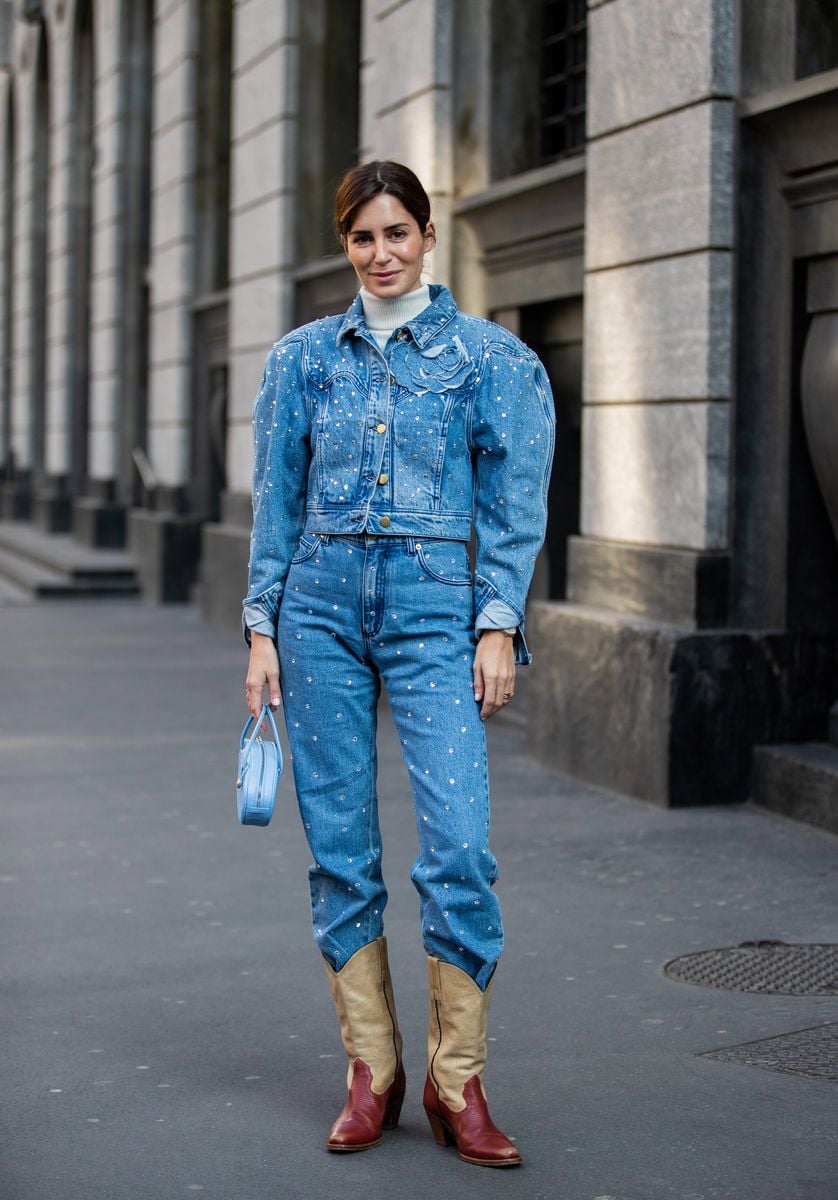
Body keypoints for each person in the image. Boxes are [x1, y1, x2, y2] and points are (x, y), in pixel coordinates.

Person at [243, 161, 554, 1167]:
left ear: (428, 235)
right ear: (346, 245)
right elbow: (275, 505)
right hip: (317, 609)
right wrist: (260, 630)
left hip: (433, 612)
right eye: (361, 238)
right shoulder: (299, 361)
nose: (380, 255)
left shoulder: (490, 360)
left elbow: (515, 504)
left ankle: (456, 1081)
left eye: (397, 234)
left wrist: (496, 622)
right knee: (340, 849)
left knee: (458, 845)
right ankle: (370, 1072)